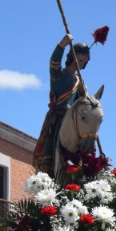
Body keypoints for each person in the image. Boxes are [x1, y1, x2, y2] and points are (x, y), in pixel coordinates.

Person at [33, 33, 91, 174]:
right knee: (54, 135)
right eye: (79, 59)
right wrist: (61, 45)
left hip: (73, 119)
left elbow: (81, 103)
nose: (81, 63)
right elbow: (54, 63)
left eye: (84, 61)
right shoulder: (59, 75)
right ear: (72, 57)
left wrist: (84, 93)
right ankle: (48, 162)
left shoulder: (79, 81)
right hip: (58, 115)